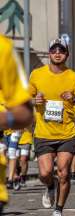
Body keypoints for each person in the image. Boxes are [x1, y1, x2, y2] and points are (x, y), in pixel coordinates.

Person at [29, 38, 75, 216]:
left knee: (64, 172)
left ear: (67, 54)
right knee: (45, 172)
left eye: (61, 50)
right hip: (44, 133)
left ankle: (59, 209)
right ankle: (50, 185)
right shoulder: (37, 74)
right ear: (49, 54)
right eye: (54, 50)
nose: (57, 53)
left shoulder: (73, 77)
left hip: (67, 133)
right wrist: (34, 100)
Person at [0, 35, 33, 214]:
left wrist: (5, 119)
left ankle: (14, 178)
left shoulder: (3, 48)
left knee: (19, 155)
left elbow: (26, 112)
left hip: (17, 132)